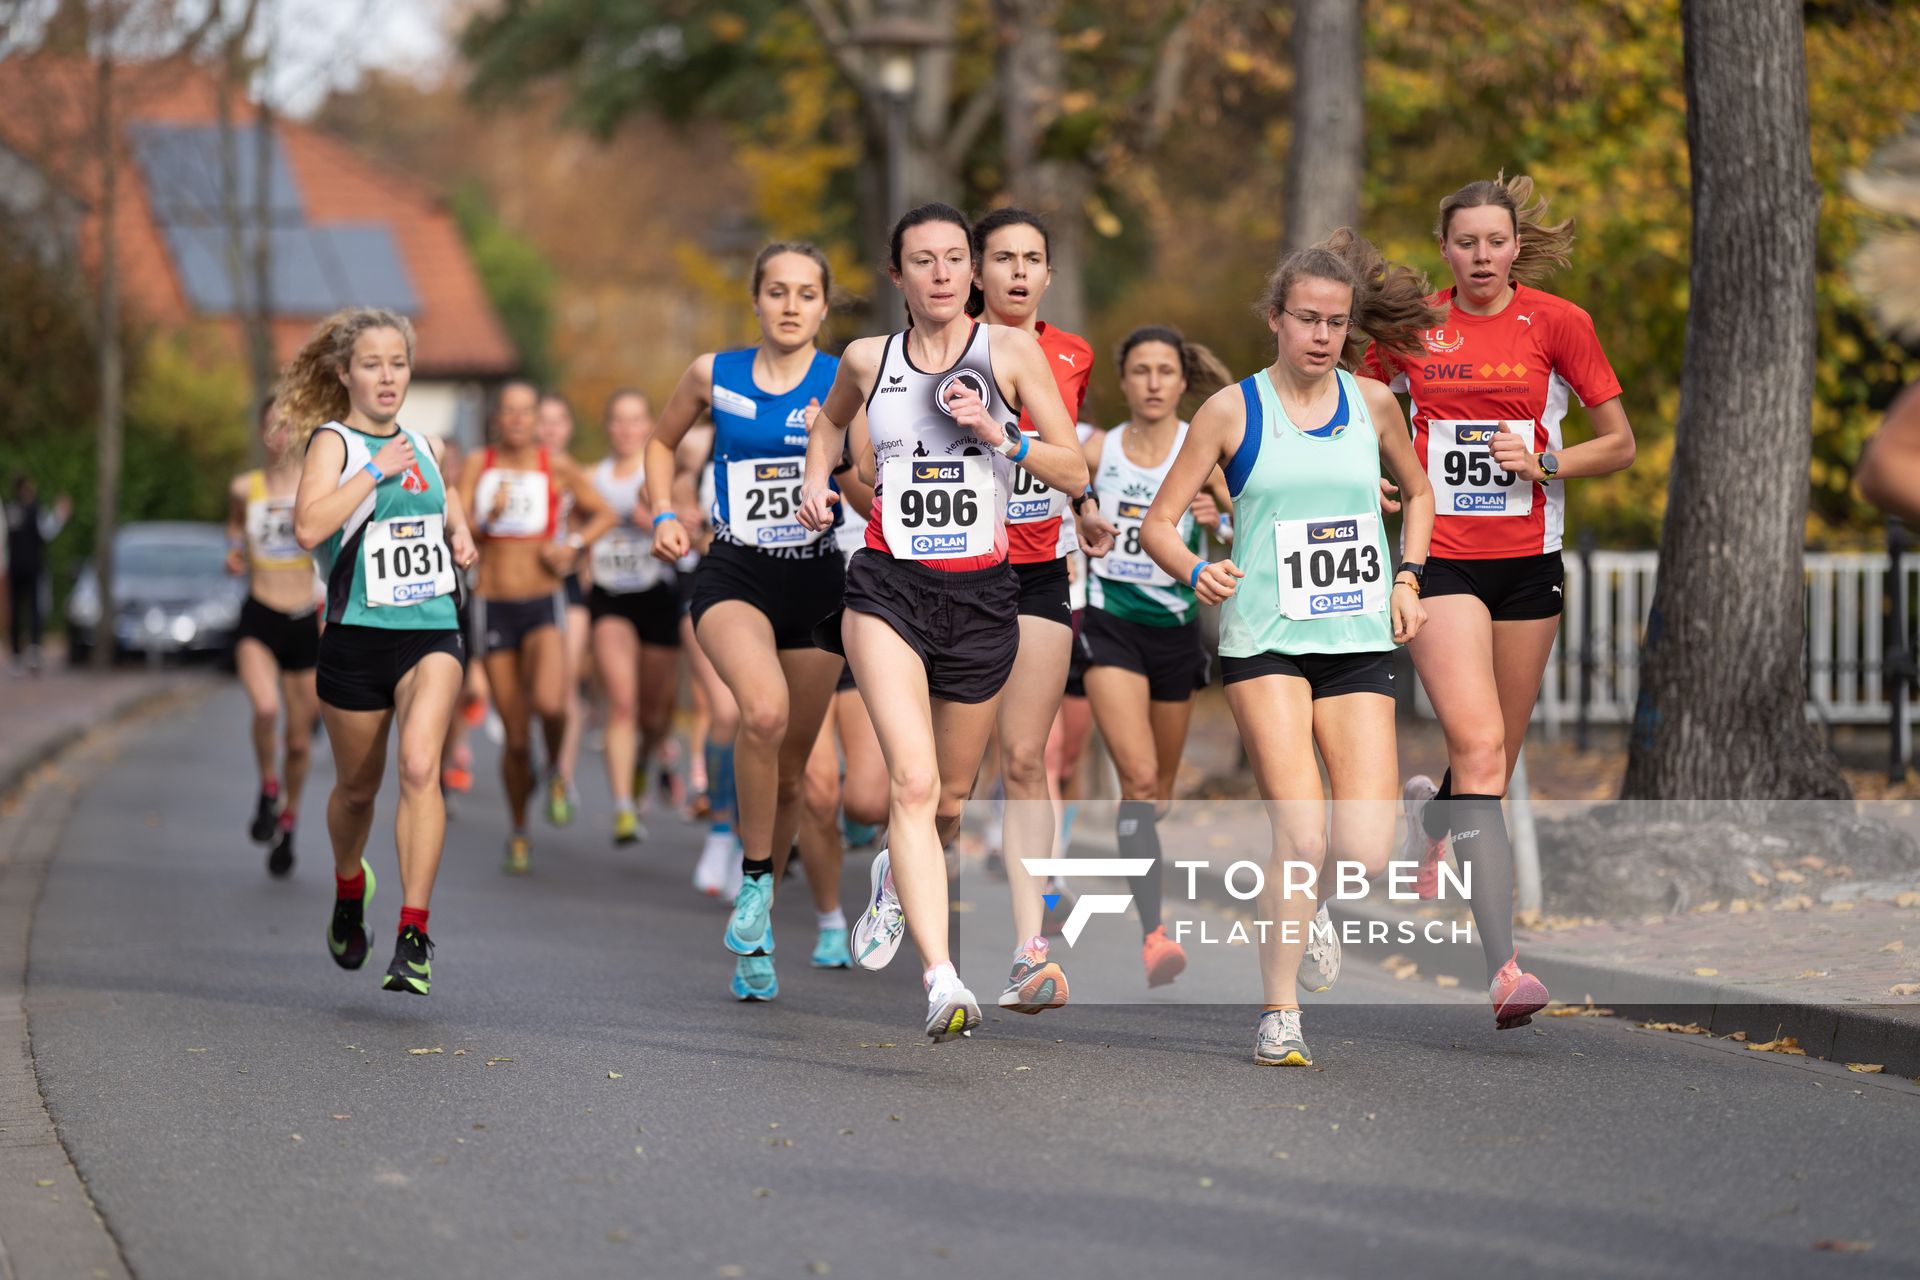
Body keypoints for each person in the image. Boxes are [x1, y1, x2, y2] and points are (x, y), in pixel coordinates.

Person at [796, 202, 1089, 1041]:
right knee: (913, 784)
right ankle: (942, 979)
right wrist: (819, 480)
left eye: (955, 259)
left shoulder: (1012, 352)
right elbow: (827, 425)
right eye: (922, 261)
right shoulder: (866, 357)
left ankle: (895, 871)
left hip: (986, 596)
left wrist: (1005, 436)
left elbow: (1071, 466)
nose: (941, 274)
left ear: (972, 271)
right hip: (887, 588)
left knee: (950, 800)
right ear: (897, 276)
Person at [1145, 231, 1438, 1066]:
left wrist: (1408, 578)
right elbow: (1158, 523)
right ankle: (1281, 1016)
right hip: (1265, 642)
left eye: (1337, 323)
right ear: (1276, 319)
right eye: (1306, 318)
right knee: (1301, 837)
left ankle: (1346, 870)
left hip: (1354, 638)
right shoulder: (1232, 411)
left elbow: (1417, 495)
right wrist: (1197, 568)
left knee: (1363, 853)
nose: (1321, 335)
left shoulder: (1374, 405)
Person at [1360, 175, 1636, 1029]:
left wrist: (1547, 464)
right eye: (1466, 242)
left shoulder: (1558, 323)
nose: (1482, 256)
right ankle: (1505, 969)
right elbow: (1354, 415)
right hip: (1439, 560)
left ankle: (1430, 818)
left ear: (1517, 246)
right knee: (1477, 745)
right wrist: (1375, 477)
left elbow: (1619, 443)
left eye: (1496, 241)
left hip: (1528, 564)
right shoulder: (1412, 330)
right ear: (1443, 247)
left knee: (1497, 758)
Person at [647, 242, 847, 1002]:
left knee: (793, 769)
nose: (791, 305)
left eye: (806, 293)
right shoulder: (714, 374)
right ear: (755, 301)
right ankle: (755, 885)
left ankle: (757, 919)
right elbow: (662, 442)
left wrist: (834, 474)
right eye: (777, 291)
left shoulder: (846, 379)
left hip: (821, 579)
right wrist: (666, 509)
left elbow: (870, 473)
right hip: (735, 569)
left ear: (824, 307)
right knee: (759, 713)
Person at [285, 306, 478, 996]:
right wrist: (374, 471)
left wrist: (459, 532)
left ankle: (414, 933)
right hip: (356, 639)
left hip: (431, 630)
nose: (388, 376)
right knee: (358, 791)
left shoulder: (423, 441)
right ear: (346, 373)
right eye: (373, 364)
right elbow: (308, 527)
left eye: (398, 362)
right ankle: (347, 885)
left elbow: (444, 490)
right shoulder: (334, 443)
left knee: (421, 765)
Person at [1074, 326, 1234, 988]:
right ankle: (1154, 934)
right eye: (1140, 370)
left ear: (1181, 379)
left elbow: (1245, 524)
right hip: (1110, 625)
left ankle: (1143, 844)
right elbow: (1063, 506)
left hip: (1175, 632)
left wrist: (1219, 516)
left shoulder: (1206, 451)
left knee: (1159, 794)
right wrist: (1084, 514)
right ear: (1123, 379)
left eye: (1165, 371)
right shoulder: (1097, 449)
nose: (1152, 383)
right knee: (1137, 780)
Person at [964, 207, 1093, 1015]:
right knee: (950, 778)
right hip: (947, 578)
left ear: (1048, 274)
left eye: (1032, 259)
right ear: (975, 271)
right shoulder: (940, 347)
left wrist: (1086, 511)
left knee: (1025, 759)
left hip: (1039, 568)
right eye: (1002, 258)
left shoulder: (1072, 354)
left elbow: (1067, 459)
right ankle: (899, 870)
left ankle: (1027, 953)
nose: (1017, 272)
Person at [458, 382, 616, 874]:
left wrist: (570, 544)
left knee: (551, 702)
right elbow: (457, 522)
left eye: (527, 411)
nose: (519, 420)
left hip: (542, 599)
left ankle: (554, 773)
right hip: (494, 603)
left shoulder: (556, 465)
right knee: (515, 734)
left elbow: (604, 513)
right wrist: (488, 516)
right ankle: (520, 829)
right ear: (497, 418)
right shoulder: (477, 464)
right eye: (509, 411)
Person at [225, 397, 322, 876]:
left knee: (301, 744)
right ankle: (268, 787)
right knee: (265, 708)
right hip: (259, 615)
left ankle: (289, 820)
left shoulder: (315, 489)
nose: (278, 437)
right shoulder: (246, 488)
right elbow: (233, 530)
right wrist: (234, 553)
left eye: (287, 428)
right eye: (271, 428)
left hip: (304, 619)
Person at [586, 389, 681, 846]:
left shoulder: (663, 476)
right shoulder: (593, 478)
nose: (626, 429)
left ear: (649, 426)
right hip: (610, 599)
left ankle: (645, 760)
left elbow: (692, 528)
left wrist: (661, 518)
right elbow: (572, 526)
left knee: (654, 713)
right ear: (609, 427)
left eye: (635, 420)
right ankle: (623, 807)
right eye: (618, 421)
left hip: (657, 595)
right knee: (621, 702)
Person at [537, 392, 596, 825]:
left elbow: (601, 517)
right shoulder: (517, 470)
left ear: (569, 428)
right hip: (526, 589)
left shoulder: (577, 472)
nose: (551, 429)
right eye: (544, 421)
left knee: (568, 683)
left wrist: (576, 547)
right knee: (537, 689)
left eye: (559, 421)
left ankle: (563, 774)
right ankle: (537, 751)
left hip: (571, 586)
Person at [6, 475, 69, 676]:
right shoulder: (33, 510)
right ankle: (28, 652)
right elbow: (47, 531)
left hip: (16, 567)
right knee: (30, 609)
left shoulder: (9, 510)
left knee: (20, 609)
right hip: (31, 567)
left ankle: (21, 653)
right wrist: (60, 514)